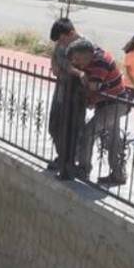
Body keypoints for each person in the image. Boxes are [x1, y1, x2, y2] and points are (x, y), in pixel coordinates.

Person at [67, 38, 130, 186]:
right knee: (113, 139)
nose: (76, 63)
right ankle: (118, 174)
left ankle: (83, 168)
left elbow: (93, 87)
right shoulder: (92, 57)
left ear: (86, 54)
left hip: (113, 103)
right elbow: (75, 70)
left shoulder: (99, 61)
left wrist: (82, 79)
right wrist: (81, 73)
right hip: (111, 102)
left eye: (77, 59)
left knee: (89, 132)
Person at [47, 18, 86, 170]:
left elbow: (80, 70)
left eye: (62, 39)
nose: (60, 43)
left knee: (72, 128)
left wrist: (72, 71)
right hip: (61, 90)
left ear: (71, 33)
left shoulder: (83, 45)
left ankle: (69, 161)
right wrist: (55, 65)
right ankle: (61, 156)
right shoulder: (60, 44)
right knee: (55, 125)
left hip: (75, 94)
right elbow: (56, 57)